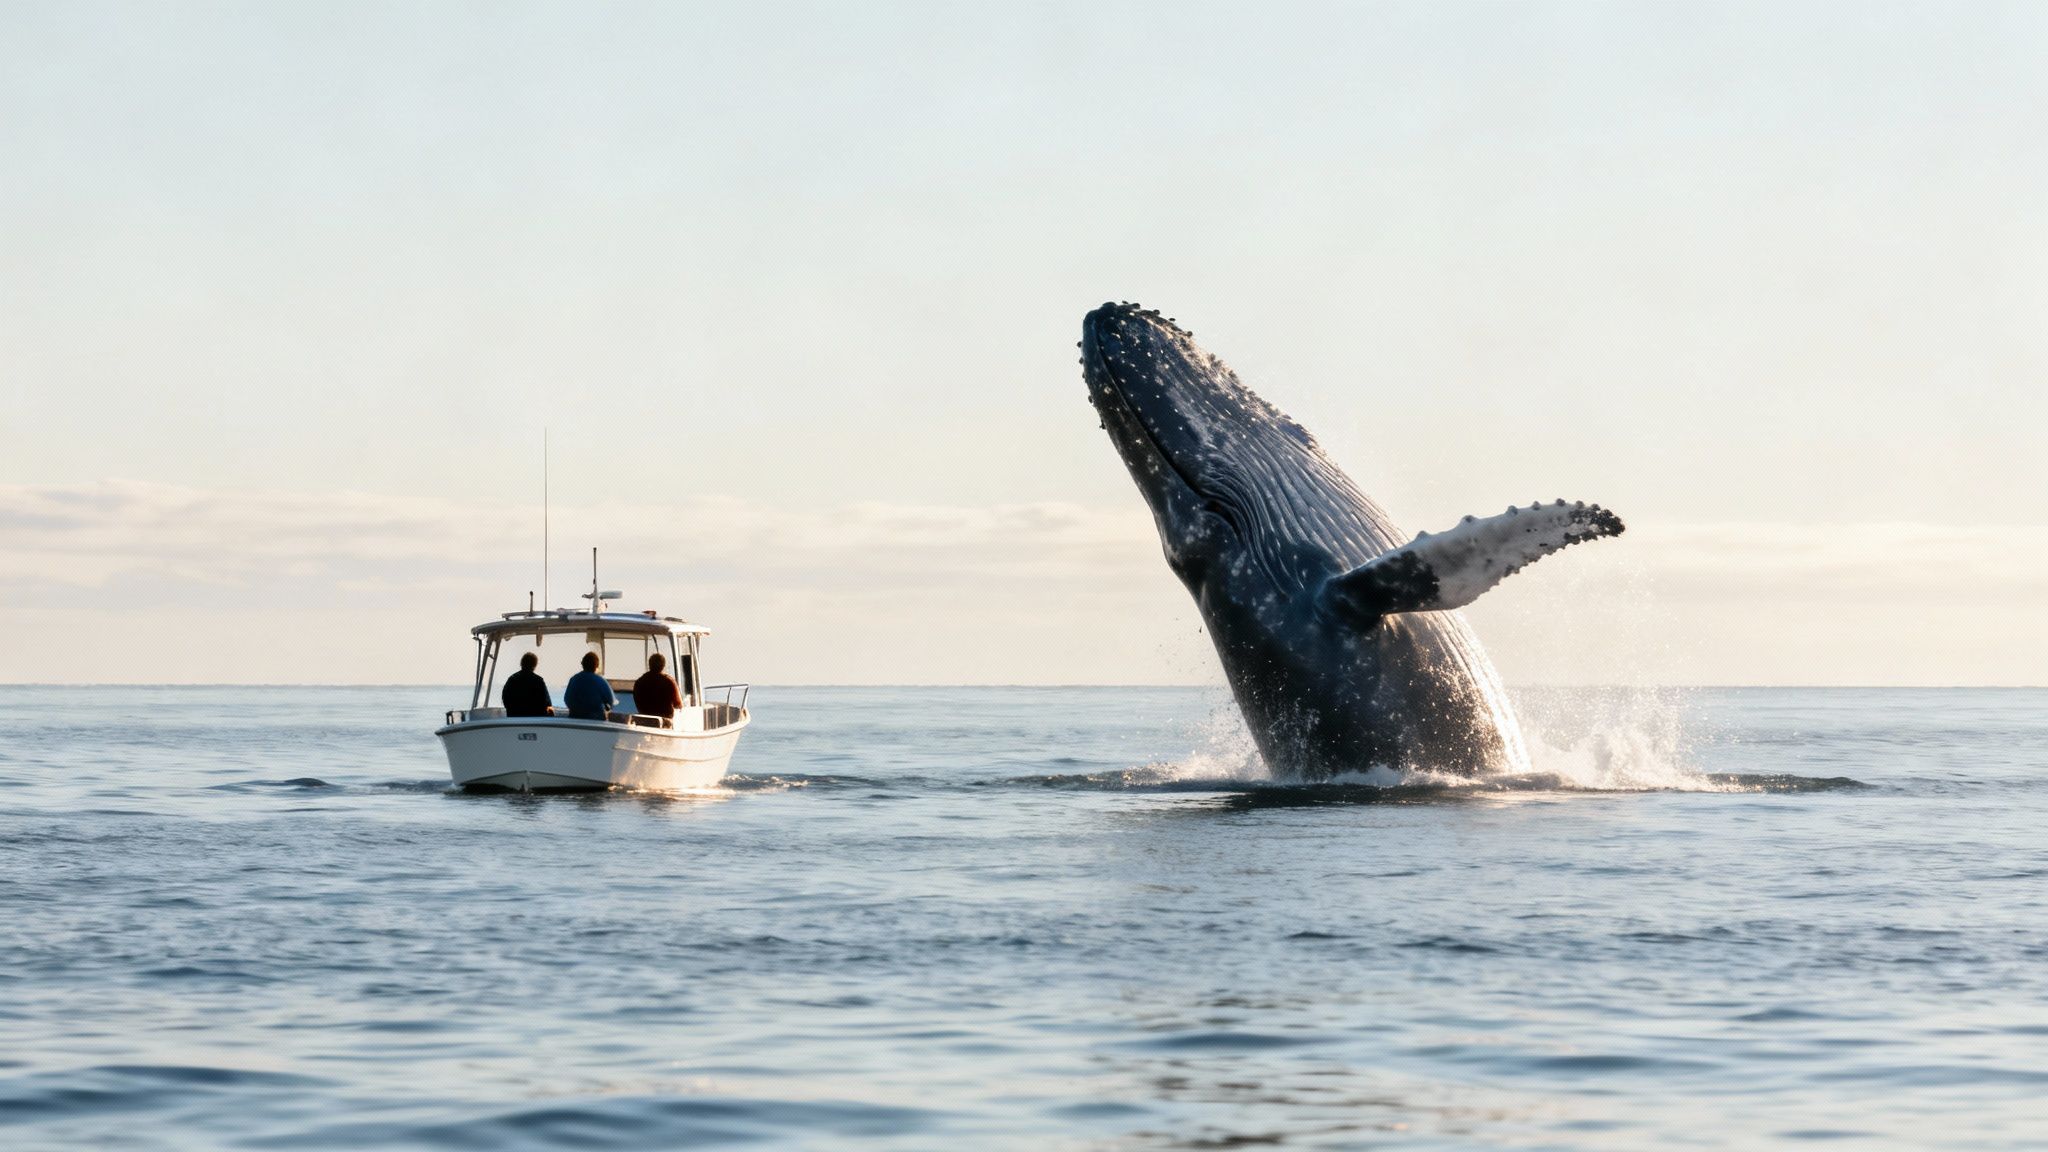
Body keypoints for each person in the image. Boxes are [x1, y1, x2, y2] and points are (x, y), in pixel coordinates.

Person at [563, 650, 617, 721]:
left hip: (575, 719)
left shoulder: (574, 679)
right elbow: (610, 702)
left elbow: (567, 699)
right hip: (597, 721)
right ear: (596, 665)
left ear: (583, 664)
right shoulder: (600, 681)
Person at [632, 653, 684, 722]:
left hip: (644, 720)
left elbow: (637, 702)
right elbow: (678, 704)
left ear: (649, 665)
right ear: (663, 666)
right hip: (664, 722)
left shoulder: (639, 682)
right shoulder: (668, 681)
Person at [501, 651, 554, 717]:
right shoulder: (538, 681)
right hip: (535, 720)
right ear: (534, 665)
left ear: (521, 663)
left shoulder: (512, 679)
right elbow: (547, 702)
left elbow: (505, 698)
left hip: (514, 718)